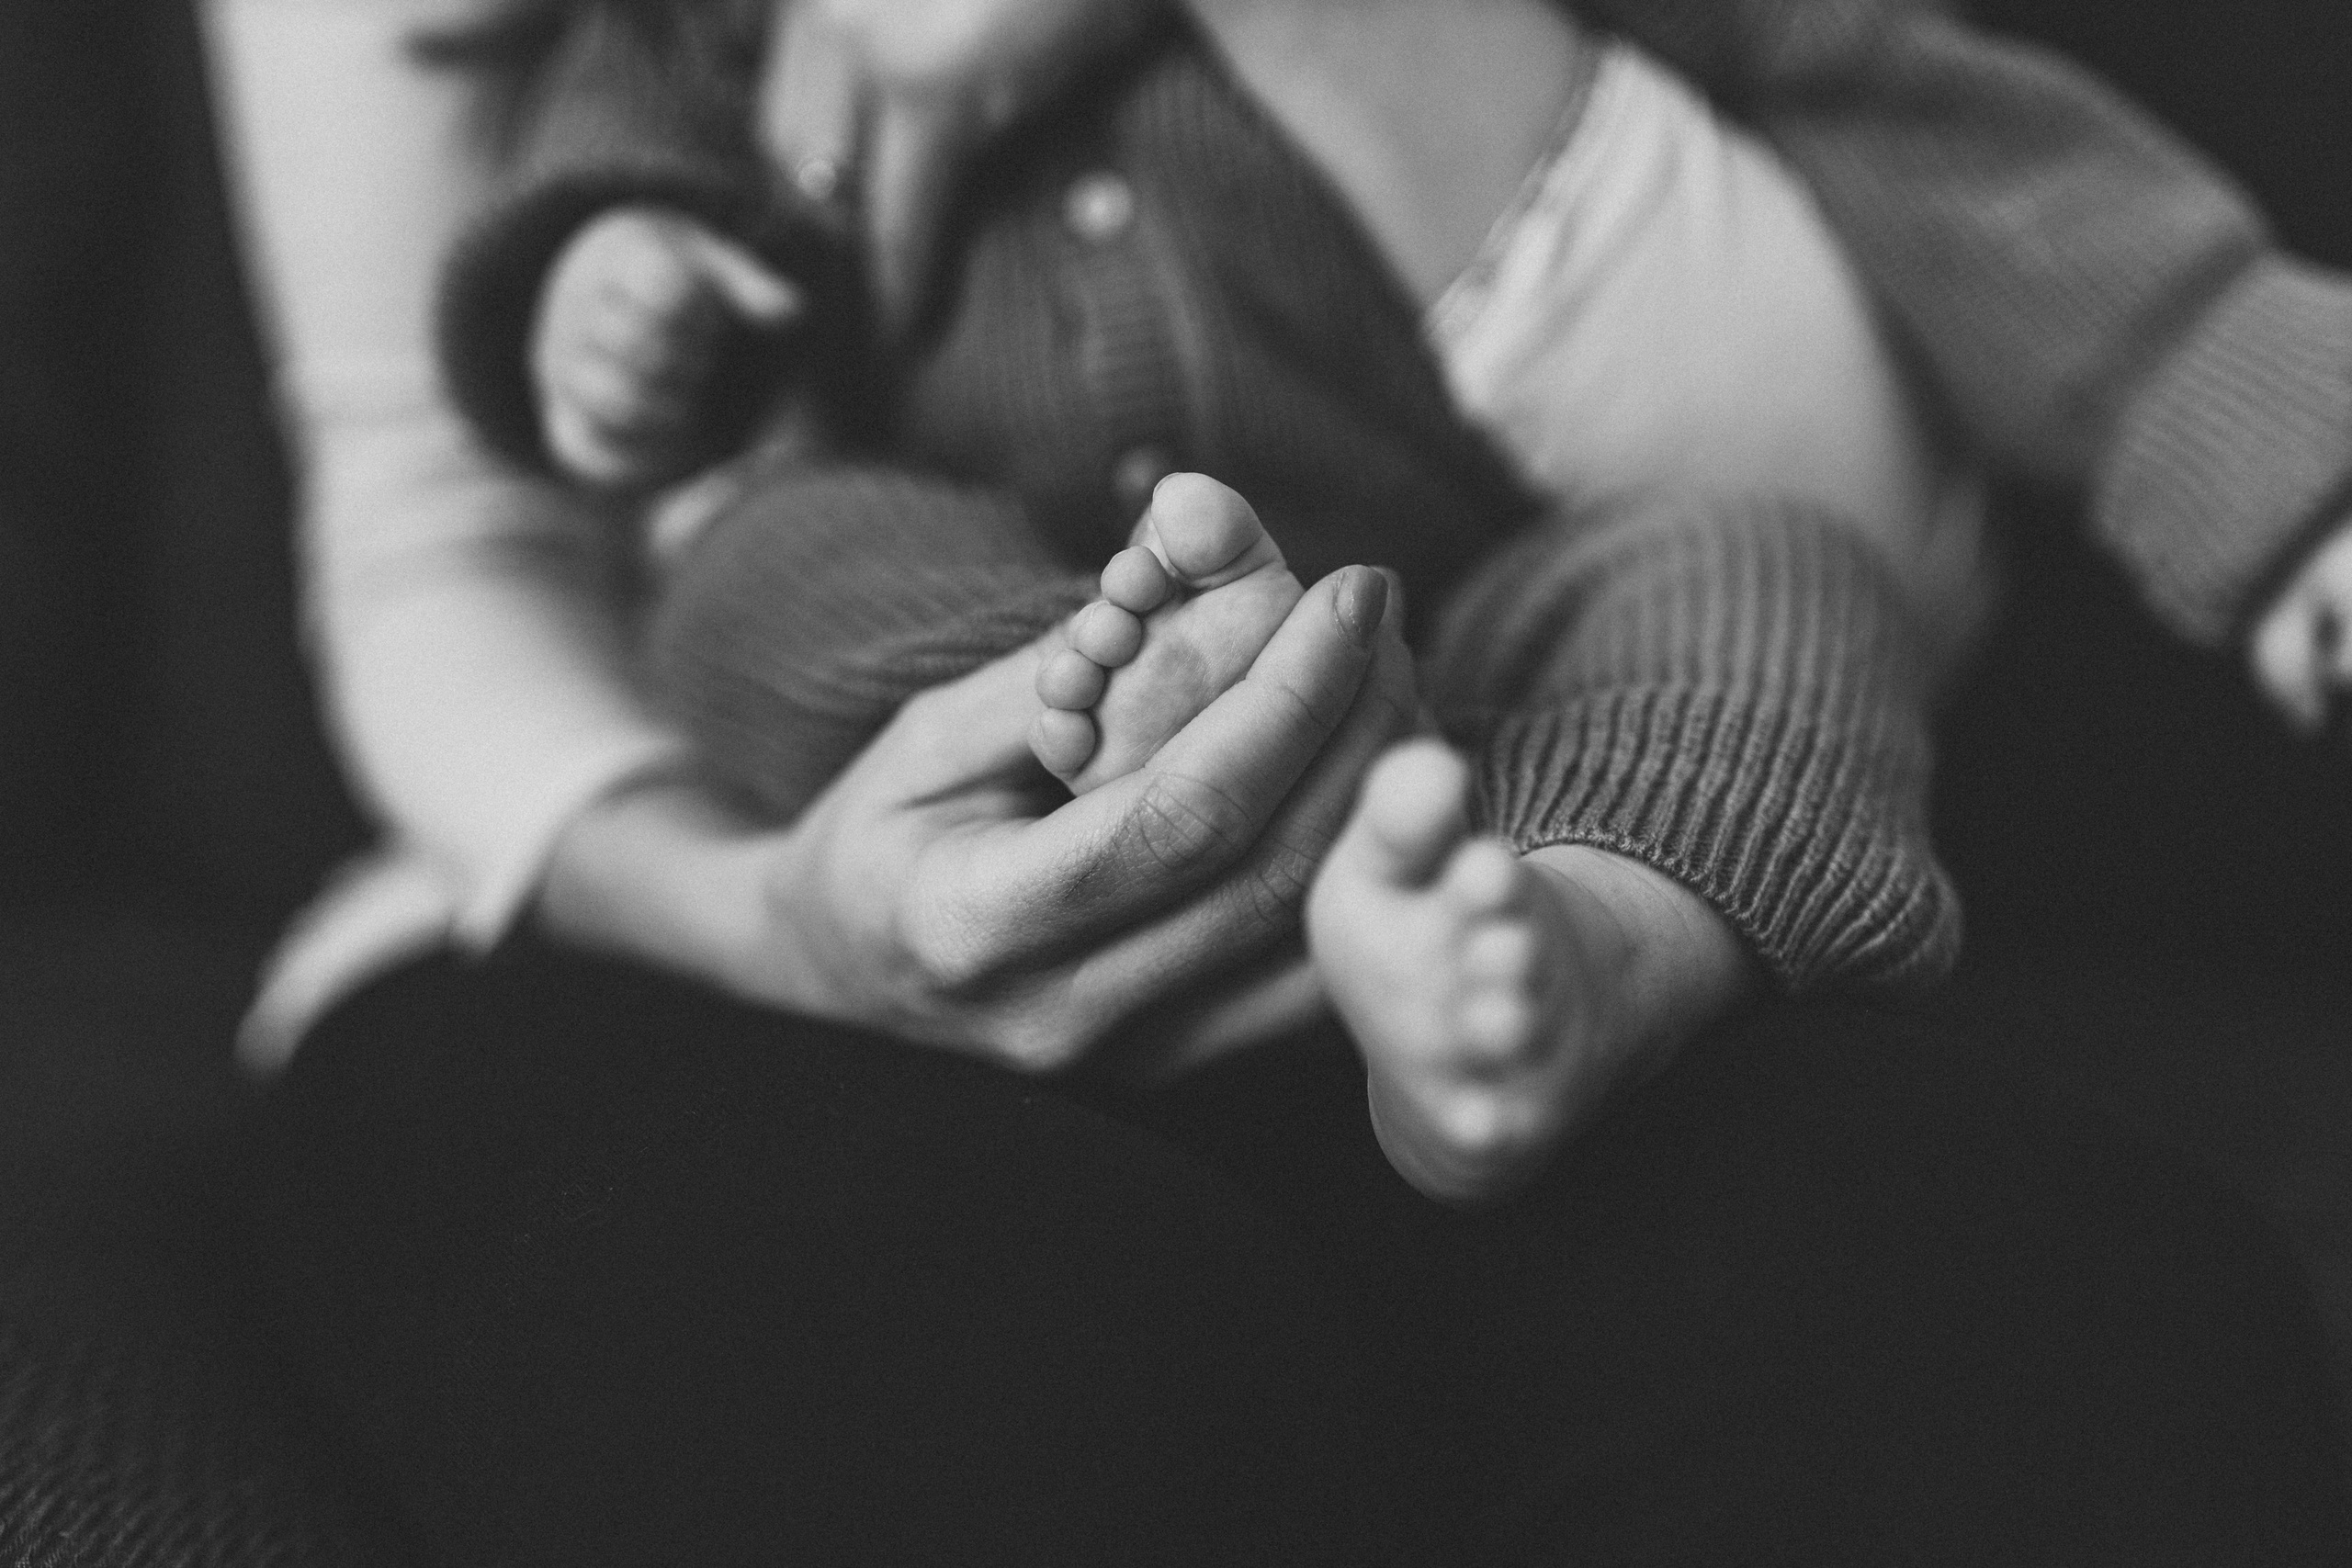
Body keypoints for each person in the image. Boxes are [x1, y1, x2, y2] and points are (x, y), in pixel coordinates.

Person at [204, 0, 2352, 1561]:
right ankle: (1116, 747)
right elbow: (569, 276)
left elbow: (1966, 166)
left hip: (1495, 673)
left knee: (1757, 577)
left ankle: (1594, 935)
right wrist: (617, 293)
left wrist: (2279, 470)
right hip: (961, 661)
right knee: (770, 564)